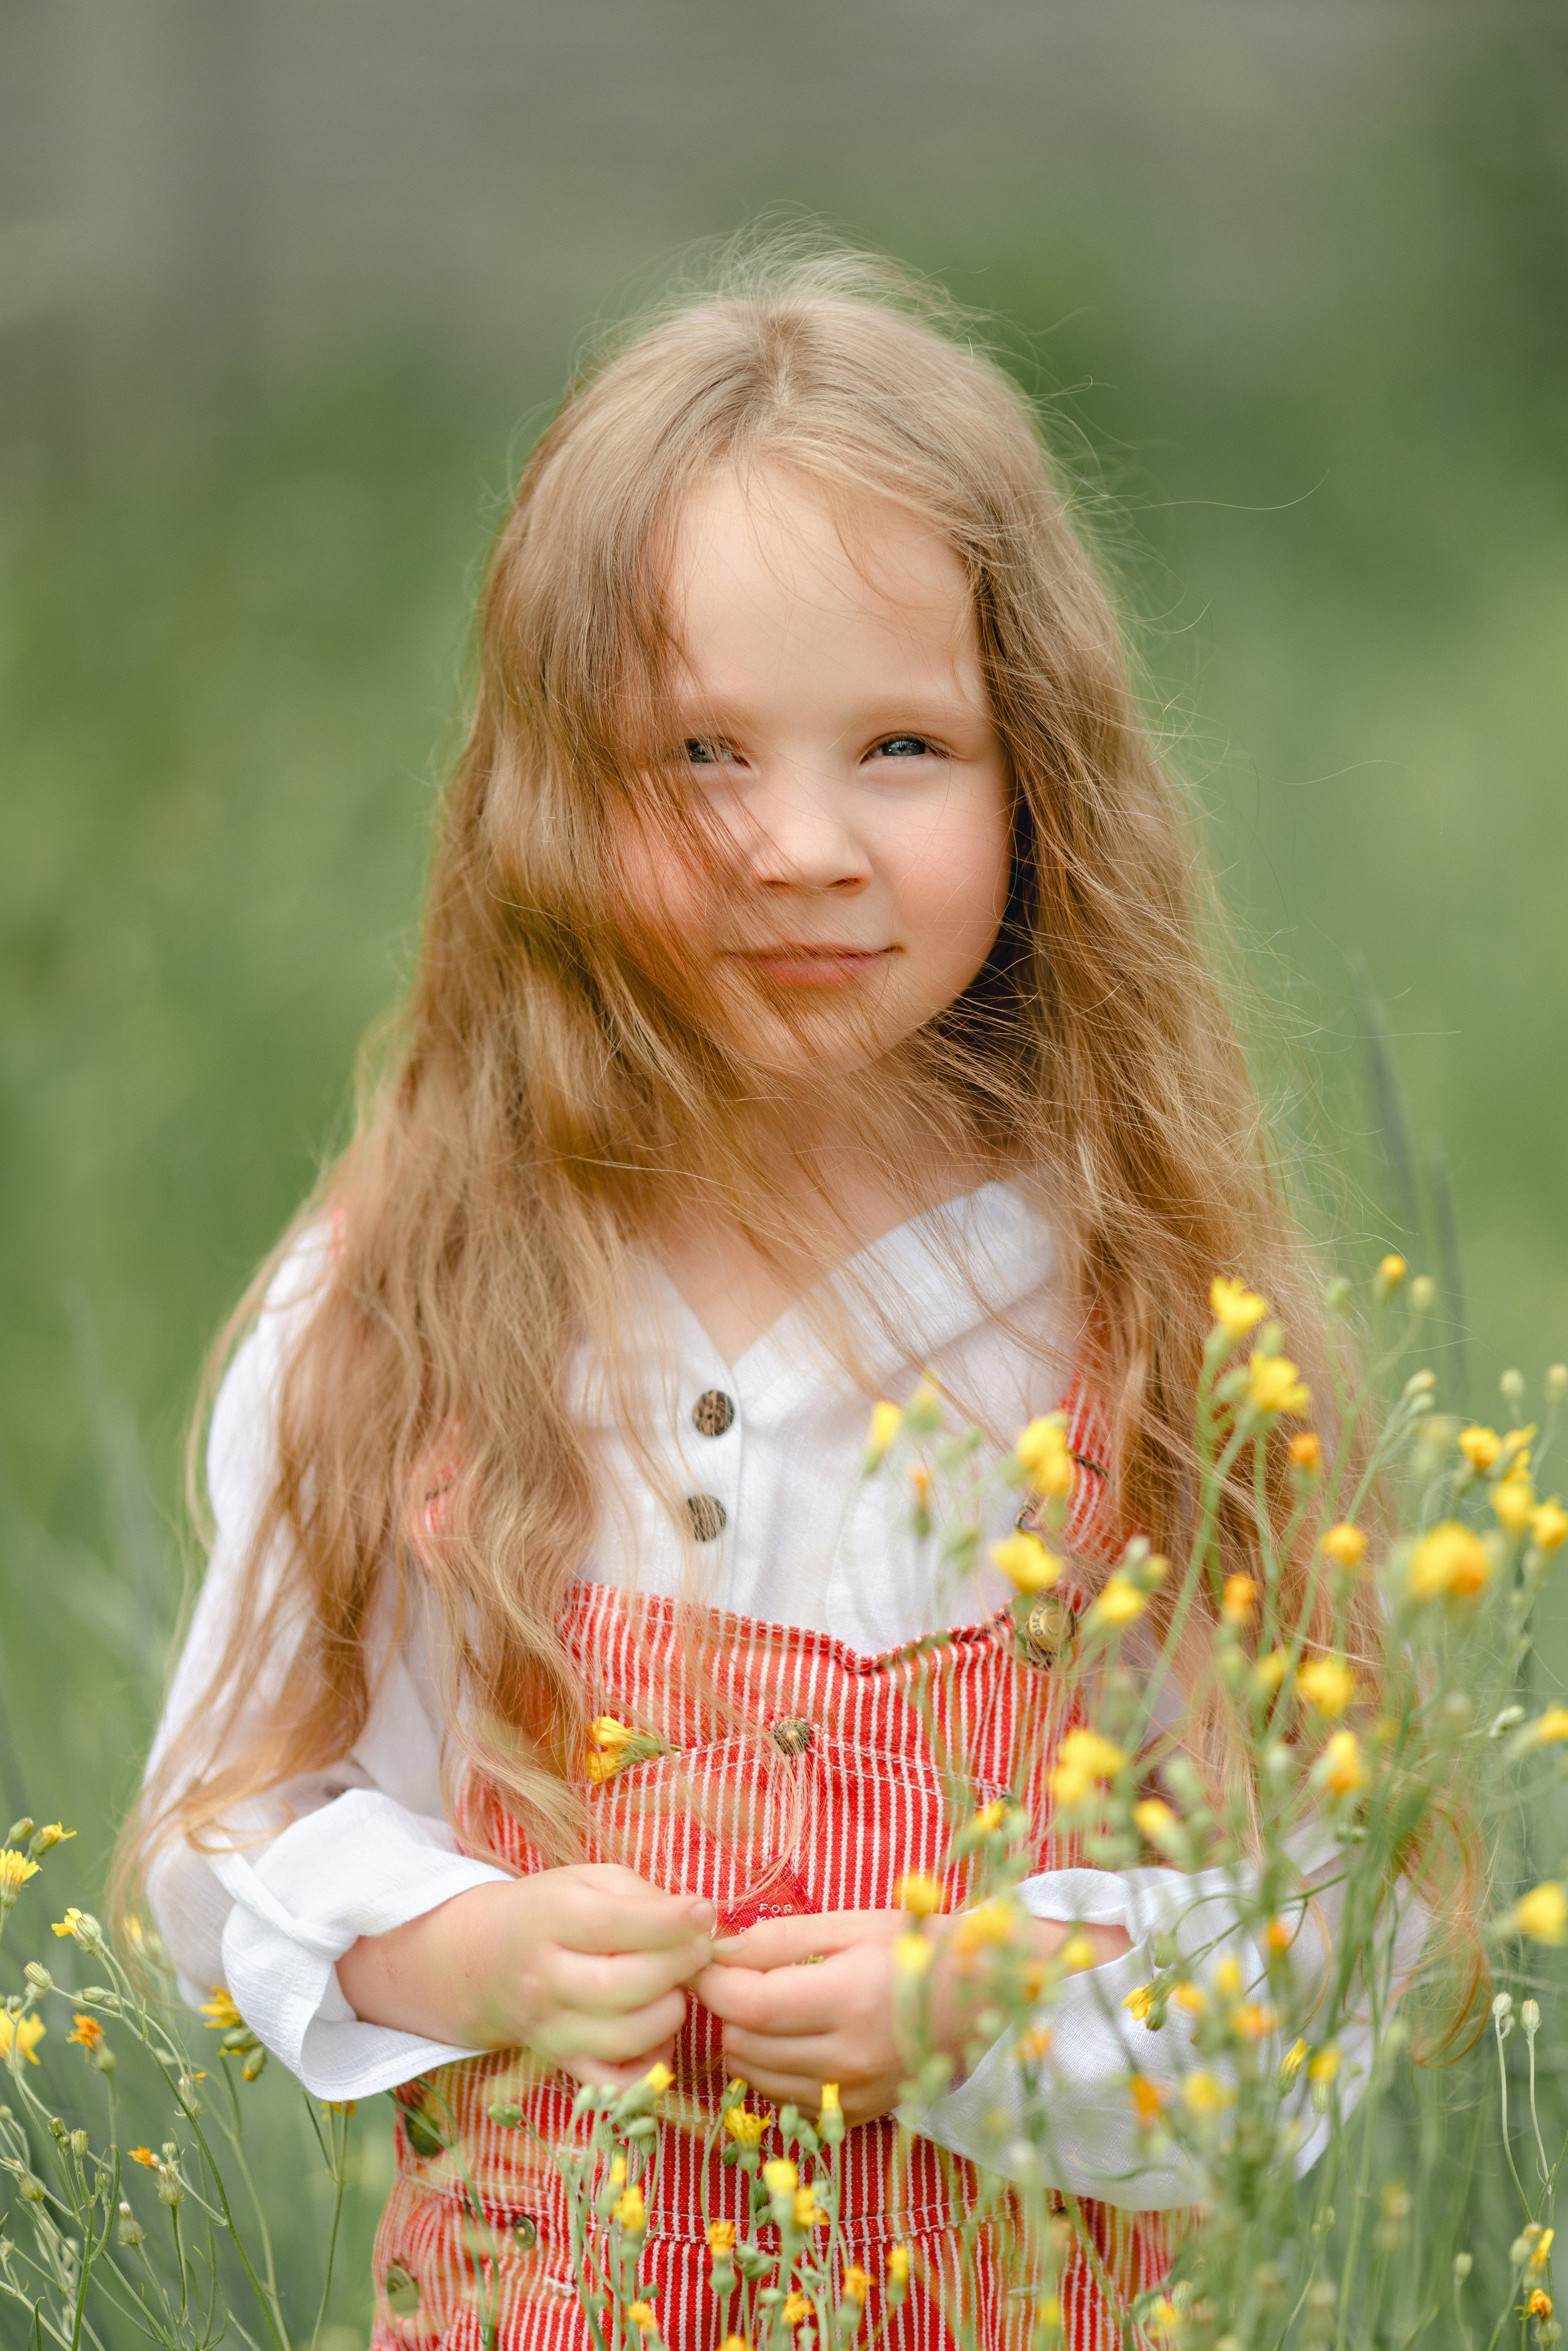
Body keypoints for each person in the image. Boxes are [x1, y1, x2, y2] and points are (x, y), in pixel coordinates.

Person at [129, 246, 1383, 2349]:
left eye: (903, 745)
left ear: (1037, 787)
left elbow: (1310, 1956)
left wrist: (990, 2006)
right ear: (546, 799)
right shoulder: (418, 1298)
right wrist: (467, 1952)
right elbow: (224, 1834)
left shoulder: (1130, 1319)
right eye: (700, 753)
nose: (802, 843)